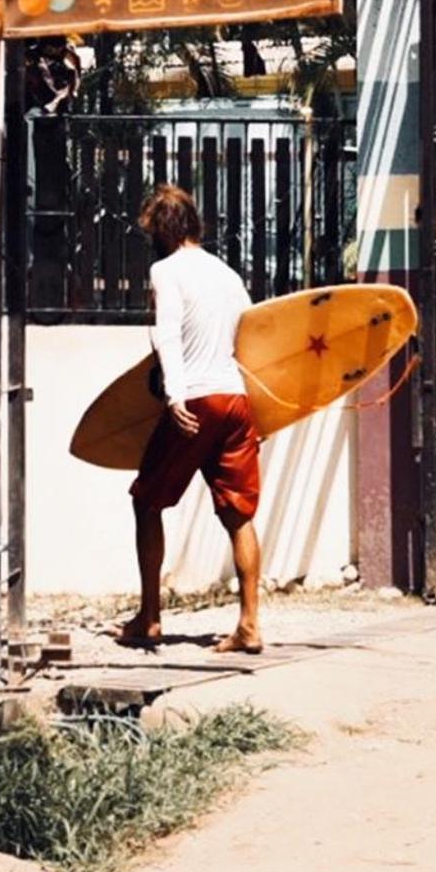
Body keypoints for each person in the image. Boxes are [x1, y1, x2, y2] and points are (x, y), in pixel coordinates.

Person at [117, 184, 264, 654]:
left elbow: (168, 336)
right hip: (236, 400)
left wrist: (176, 394)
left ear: (160, 232)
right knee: (238, 514)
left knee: (147, 502)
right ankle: (249, 624)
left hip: (196, 401)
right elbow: (252, 335)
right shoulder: (228, 274)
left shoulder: (166, 270)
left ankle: (150, 617)